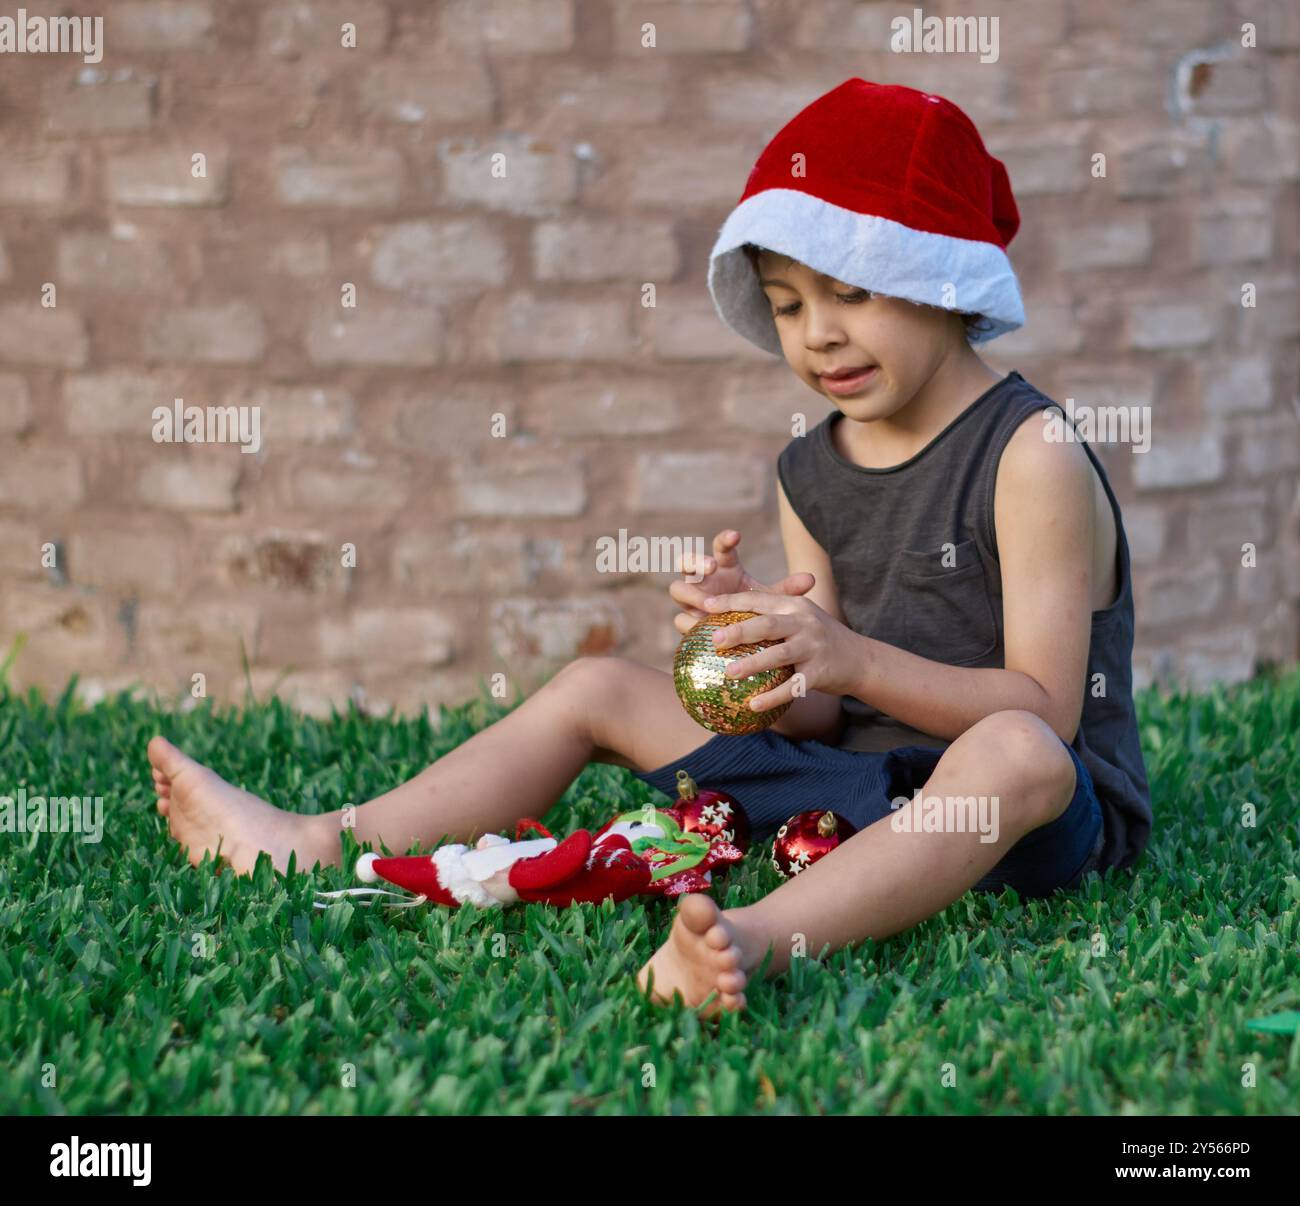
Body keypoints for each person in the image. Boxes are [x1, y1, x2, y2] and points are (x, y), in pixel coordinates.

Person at [149, 78, 1151, 1015]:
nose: (818, 338)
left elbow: (1048, 713)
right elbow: (824, 715)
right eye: (789, 305)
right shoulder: (812, 467)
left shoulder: (1029, 454)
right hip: (855, 794)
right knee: (597, 688)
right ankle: (317, 843)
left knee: (1015, 751)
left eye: (851, 292)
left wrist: (851, 659)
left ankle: (750, 941)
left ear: (937, 271)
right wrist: (763, 653)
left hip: (1016, 816)